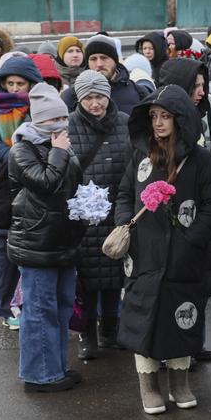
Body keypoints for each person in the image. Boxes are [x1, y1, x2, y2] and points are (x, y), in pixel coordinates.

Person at [112, 84, 211, 414]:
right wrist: (125, 225)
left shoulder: (201, 160)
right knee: (143, 317)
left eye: (166, 116)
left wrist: (192, 239)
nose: (158, 123)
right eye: (153, 116)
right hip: (143, 254)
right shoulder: (141, 155)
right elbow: (123, 194)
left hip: (184, 258)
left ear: (181, 120)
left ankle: (179, 382)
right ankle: (148, 386)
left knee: (182, 318)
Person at [6, 83, 84, 392]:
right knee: (39, 311)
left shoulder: (60, 144)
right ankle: (38, 375)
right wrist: (59, 152)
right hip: (35, 243)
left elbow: (70, 182)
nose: (60, 126)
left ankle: (56, 367)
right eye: (53, 121)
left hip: (62, 239)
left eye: (63, 119)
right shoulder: (21, 149)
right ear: (38, 121)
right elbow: (47, 182)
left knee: (62, 306)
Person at [68, 70, 130, 362]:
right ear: (80, 99)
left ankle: (110, 331)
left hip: (118, 211)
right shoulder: (68, 126)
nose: (95, 104)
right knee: (88, 281)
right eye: (88, 98)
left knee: (114, 277)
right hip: (83, 217)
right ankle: (87, 336)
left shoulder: (126, 124)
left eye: (100, 96)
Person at [0, 55, 42, 330]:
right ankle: (6, 307)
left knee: (29, 250)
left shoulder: (38, 106)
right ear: (2, 83)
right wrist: (11, 154)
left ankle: (29, 303)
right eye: (10, 82)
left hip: (30, 184)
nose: (15, 88)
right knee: (2, 256)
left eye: (21, 83)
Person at [61, 37, 150, 115]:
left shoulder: (139, 93)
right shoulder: (71, 96)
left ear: (115, 60)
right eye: (93, 59)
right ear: (87, 63)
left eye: (104, 58)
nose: (99, 64)